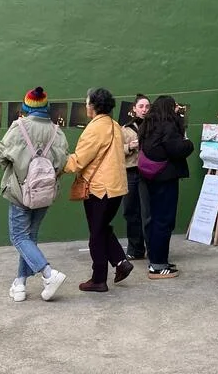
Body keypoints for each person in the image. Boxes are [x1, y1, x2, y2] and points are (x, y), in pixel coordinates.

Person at [0, 86, 70, 303]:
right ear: (46, 107)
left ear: (26, 106)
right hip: (44, 193)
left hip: (20, 192)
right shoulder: (57, 131)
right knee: (30, 237)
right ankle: (20, 284)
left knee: (18, 237)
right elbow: (62, 162)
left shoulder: (18, 127)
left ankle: (48, 273)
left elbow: (0, 156)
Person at [64, 87, 133, 292]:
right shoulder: (114, 125)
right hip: (116, 187)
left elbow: (79, 161)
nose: (86, 105)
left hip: (99, 189)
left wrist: (57, 164)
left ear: (93, 106)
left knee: (96, 234)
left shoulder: (94, 128)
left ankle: (99, 279)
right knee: (102, 228)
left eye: (87, 102)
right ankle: (121, 262)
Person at [139, 95, 194, 279]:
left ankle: (157, 259)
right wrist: (189, 143)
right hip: (165, 178)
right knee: (164, 220)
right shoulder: (168, 125)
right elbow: (176, 149)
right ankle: (158, 266)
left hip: (150, 177)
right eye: (175, 106)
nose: (177, 109)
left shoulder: (148, 125)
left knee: (155, 219)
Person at [122, 93, 151, 260]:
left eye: (147, 106)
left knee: (148, 212)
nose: (144, 110)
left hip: (149, 173)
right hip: (131, 172)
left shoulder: (154, 127)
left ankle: (152, 249)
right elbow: (116, 151)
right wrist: (129, 147)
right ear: (134, 108)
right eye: (141, 106)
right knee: (130, 211)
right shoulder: (125, 129)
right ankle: (135, 249)